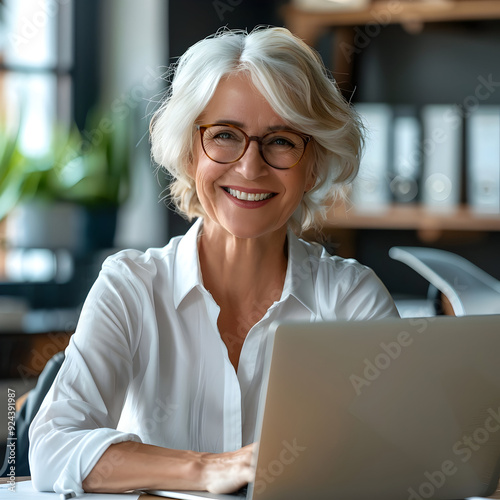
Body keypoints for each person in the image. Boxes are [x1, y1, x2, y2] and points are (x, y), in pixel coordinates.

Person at [29, 26, 398, 495]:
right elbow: (51, 449)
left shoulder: (352, 302)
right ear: (189, 153)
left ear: (315, 164)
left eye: (281, 140)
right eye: (225, 134)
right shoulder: (131, 287)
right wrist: (210, 468)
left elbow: (397, 458)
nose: (250, 167)